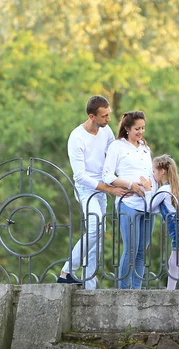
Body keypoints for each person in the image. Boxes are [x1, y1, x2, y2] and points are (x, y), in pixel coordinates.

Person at [57, 95, 127, 289]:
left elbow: (116, 153)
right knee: (96, 228)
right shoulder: (77, 138)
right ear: (91, 116)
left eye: (109, 114)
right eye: (104, 116)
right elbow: (79, 176)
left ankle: (89, 283)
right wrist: (109, 189)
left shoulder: (106, 132)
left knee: (98, 232)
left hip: (102, 186)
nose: (108, 119)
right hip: (86, 188)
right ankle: (66, 271)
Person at [102, 111, 154, 289]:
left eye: (143, 128)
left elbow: (151, 175)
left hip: (147, 203)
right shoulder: (117, 146)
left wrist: (150, 189)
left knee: (141, 252)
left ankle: (136, 289)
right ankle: (123, 290)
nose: (141, 132)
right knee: (130, 250)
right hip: (129, 203)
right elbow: (107, 175)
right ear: (127, 128)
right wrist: (130, 185)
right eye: (137, 129)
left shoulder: (145, 148)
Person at [142, 154, 179, 290]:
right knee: (175, 262)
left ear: (162, 172)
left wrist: (147, 190)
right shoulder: (172, 188)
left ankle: (176, 292)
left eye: (154, 171)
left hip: (178, 227)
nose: (153, 174)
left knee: (176, 261)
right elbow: (159, 209)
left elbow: (149, 207)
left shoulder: (163, 190)